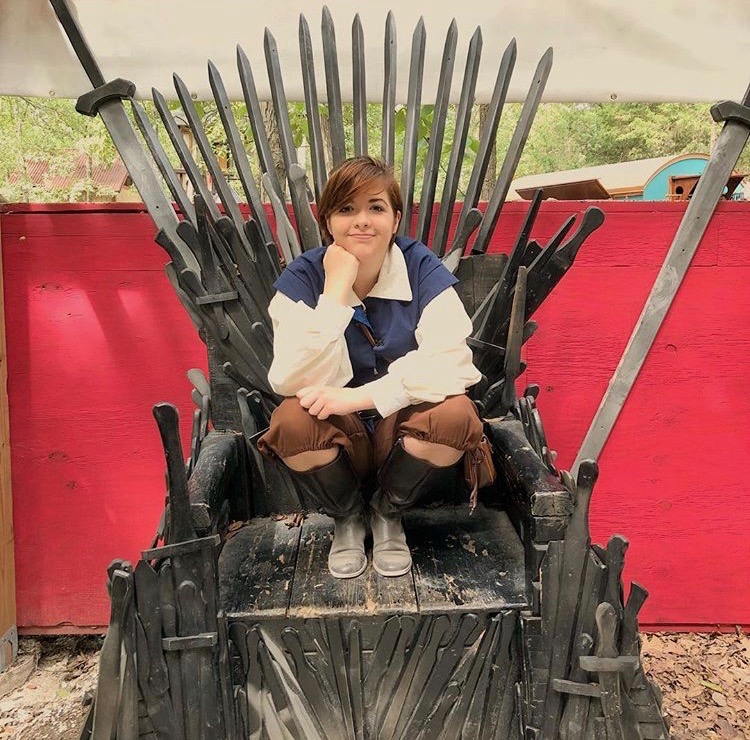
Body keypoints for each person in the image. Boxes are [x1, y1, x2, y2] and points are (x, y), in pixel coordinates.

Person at [257, 156, 484, 579]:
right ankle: (347, 518)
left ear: (395, 219)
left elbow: (455, 360)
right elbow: (287, 378)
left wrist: (366, 396)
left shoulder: (420, 268)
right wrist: (336, 293)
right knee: (290, 422)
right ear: (327, 221)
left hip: (401, 429)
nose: (362, 221)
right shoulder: (303, 277)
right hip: (338, 433)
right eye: (346, 209)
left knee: (455, 416)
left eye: (375, 208)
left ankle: (386, 513)